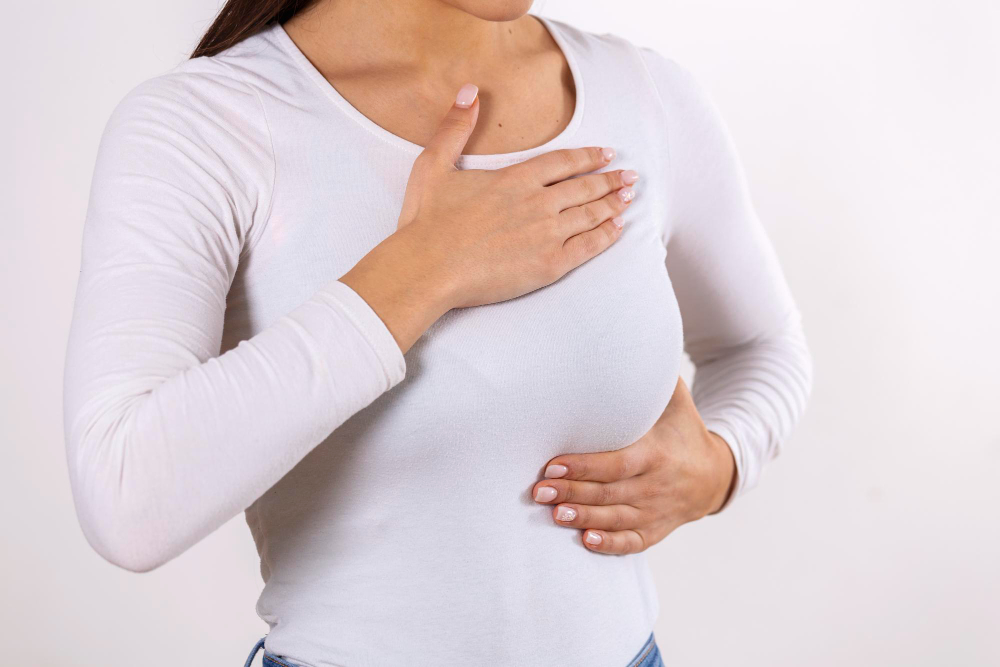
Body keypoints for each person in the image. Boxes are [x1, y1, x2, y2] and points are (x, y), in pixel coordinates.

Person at [62, 0, 814, 665]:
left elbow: (762, 347)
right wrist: (421, 270)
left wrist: (719, 464)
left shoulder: (643, 93)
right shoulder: (206, 124)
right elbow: (127, 499)